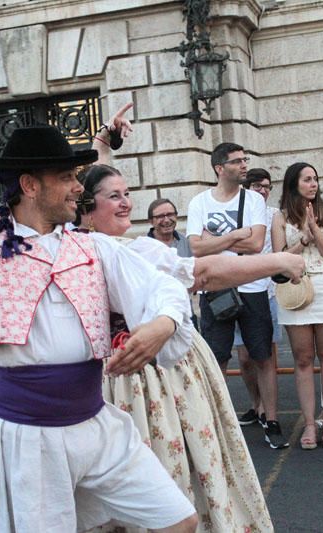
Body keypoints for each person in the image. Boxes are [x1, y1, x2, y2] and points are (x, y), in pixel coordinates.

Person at [0, 23, 200, 532]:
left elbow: (159, 281)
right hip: (29, 436)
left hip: (97, 424)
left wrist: (163, 322)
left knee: (179, 522)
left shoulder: (91, 246)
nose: (80, 186)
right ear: (30, 185)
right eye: (67, 178)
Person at [77, 153, 303, 530]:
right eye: (114, 196)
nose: (126, 203)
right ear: (86, 207)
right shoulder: (123, 251)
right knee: (171, 474)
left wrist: (102, 143)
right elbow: (204, 272)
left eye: (127, 193)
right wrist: (278, 261)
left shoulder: (84, 248)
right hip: (145, 377)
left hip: (112, 377)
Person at [186, 143, 288, 450]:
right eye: (237, 161)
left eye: (245, 159)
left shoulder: (254, 199)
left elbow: (256, 244)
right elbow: (195, 248)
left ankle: (271, 420)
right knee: (216, 358)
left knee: (263, 357)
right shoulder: (199, 202)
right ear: (220, 168)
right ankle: (217, 422)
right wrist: (234, 236)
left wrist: (214, 240)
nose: (244, 165)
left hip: (253, 288)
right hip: (215, 288)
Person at [272, 162, 323, 450]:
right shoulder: (279, 218)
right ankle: (308, 424)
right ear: (294, 184)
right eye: (307, 180)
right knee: (303, 360)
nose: (313, 184)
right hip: (295, 289)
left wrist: (315, 229)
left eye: (315, 179)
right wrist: (302, 237)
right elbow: (279, 258)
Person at [236, 169, 282, 429]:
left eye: (267, 186)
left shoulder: (273, 214)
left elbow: (278, 251)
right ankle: (256, 403)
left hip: (267, 292)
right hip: (239, 290)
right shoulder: (237, 212)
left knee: (265, 355)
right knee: (243, 358)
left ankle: (267, 408)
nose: (263, 190)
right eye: (257, 186)